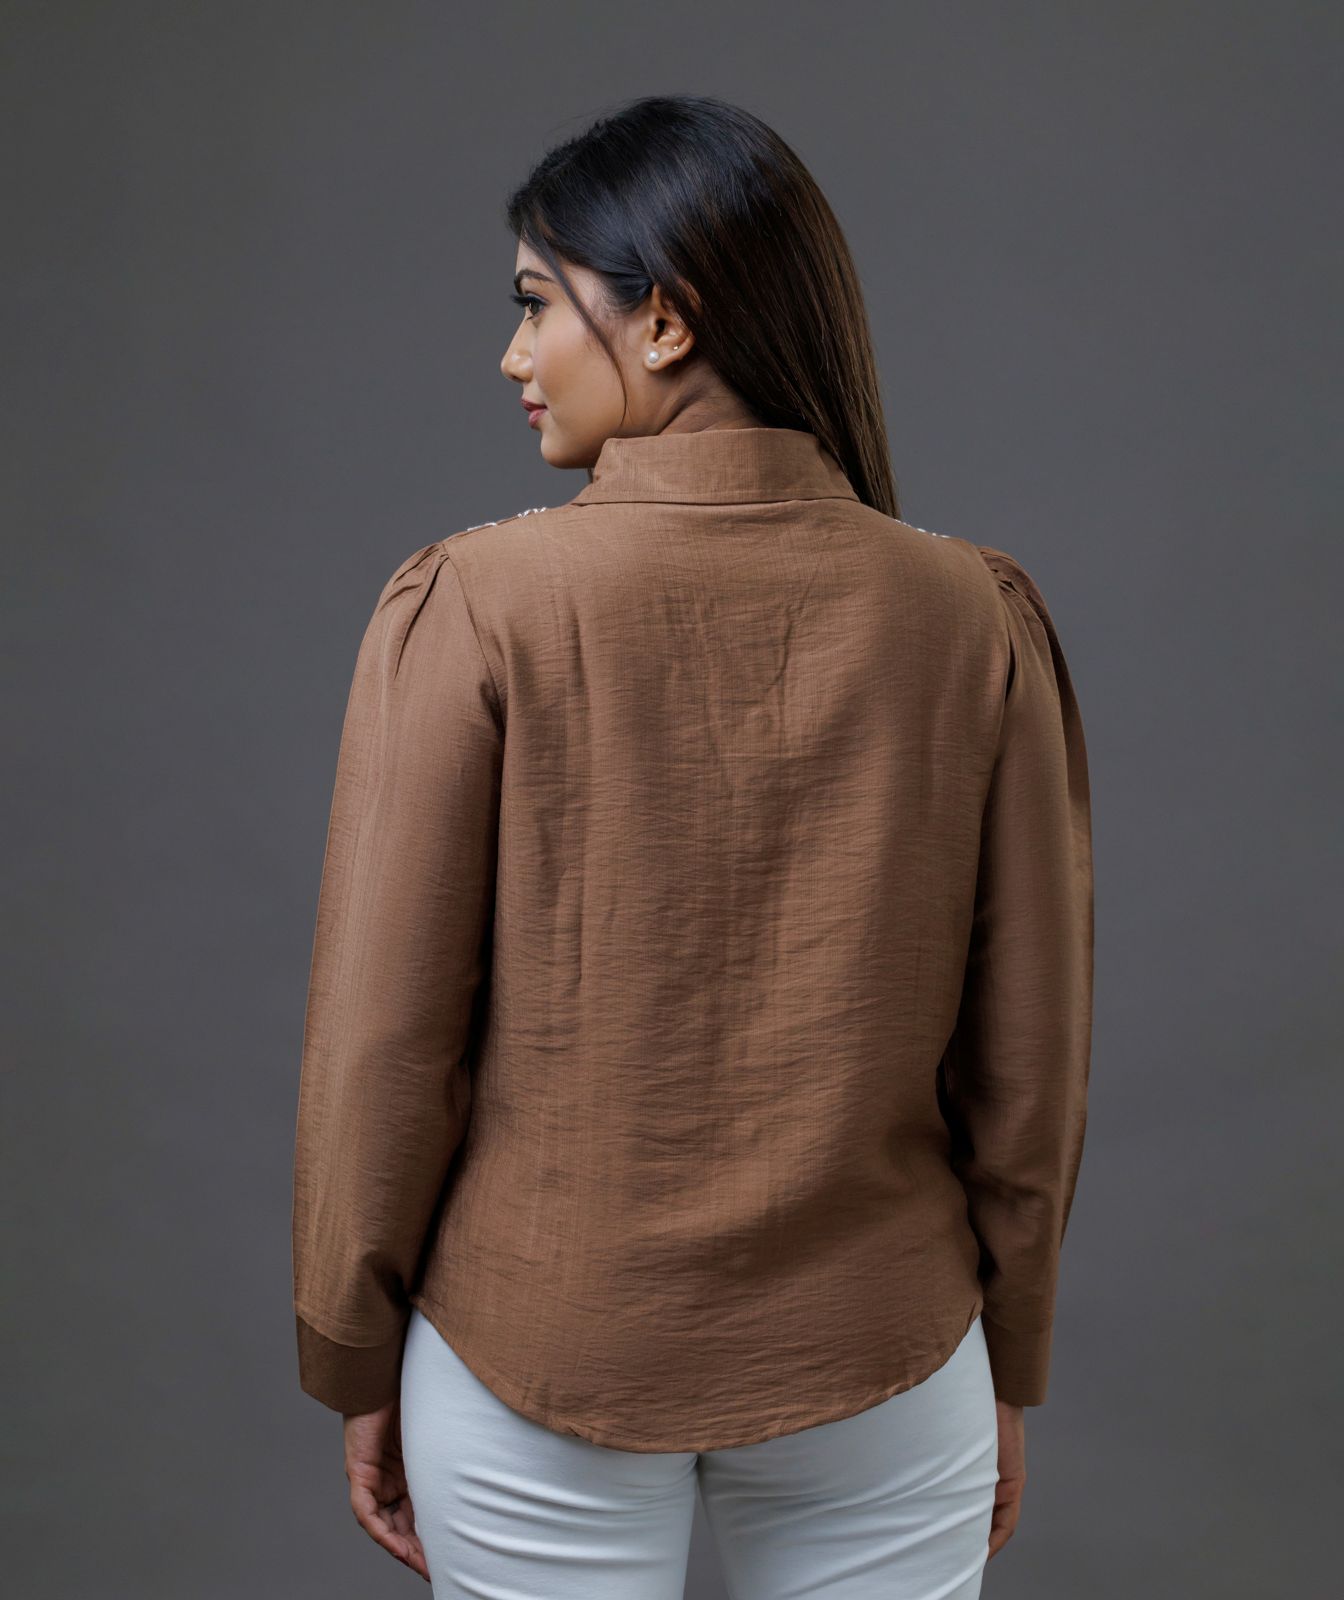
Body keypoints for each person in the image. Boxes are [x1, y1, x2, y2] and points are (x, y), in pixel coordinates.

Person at [291, 93, 1093, 1599]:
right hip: (888, 1346)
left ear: (663, 321)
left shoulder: (477, 605)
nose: (514, 356)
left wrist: (355, 1346)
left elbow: (386, 1042)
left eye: (537, 303)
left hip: (535, 1351)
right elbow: (1027, 1058)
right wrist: (1011, 1347)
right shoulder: (971, 614)